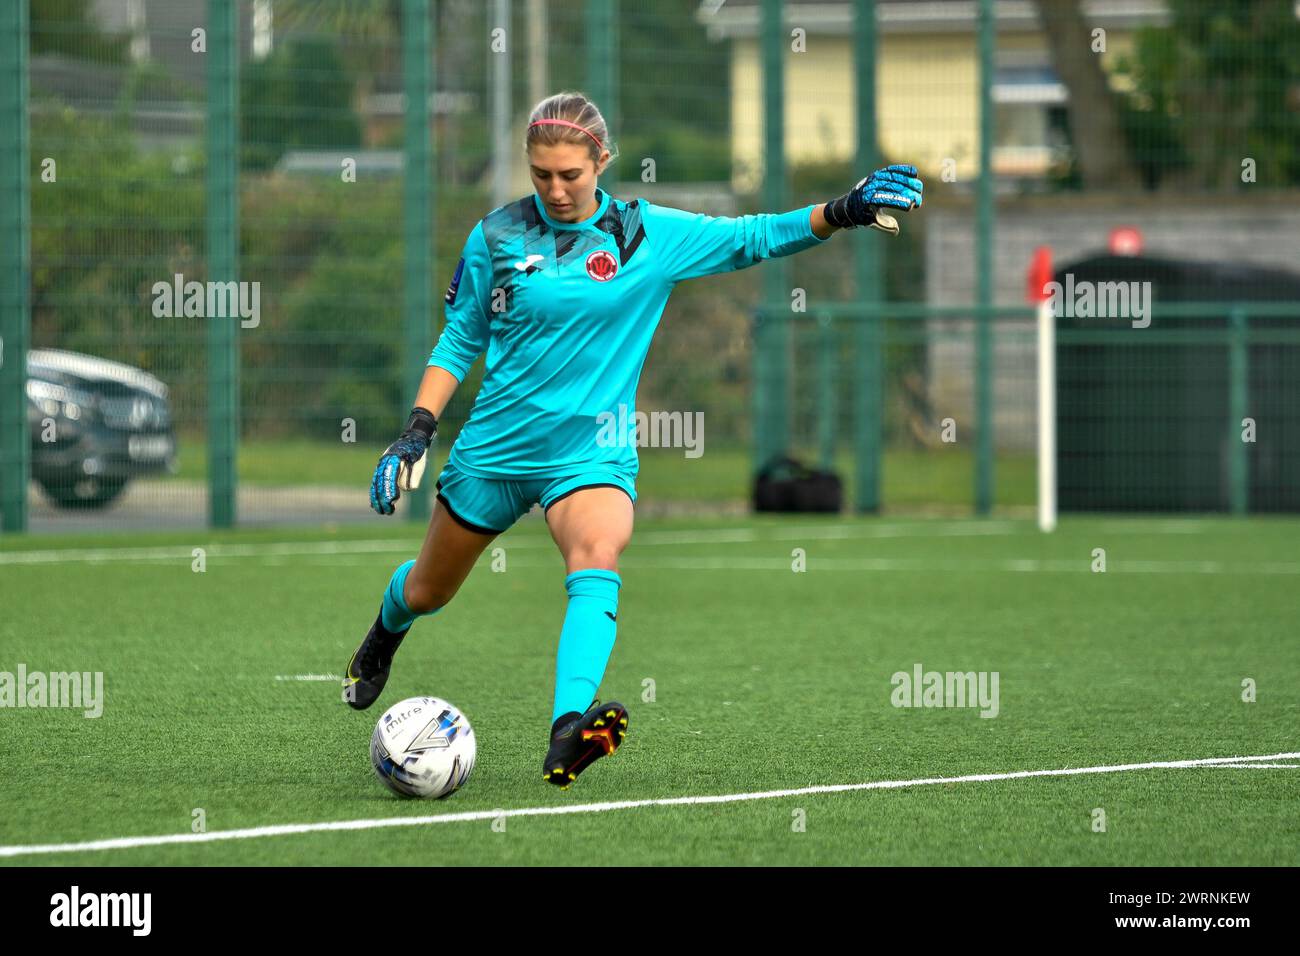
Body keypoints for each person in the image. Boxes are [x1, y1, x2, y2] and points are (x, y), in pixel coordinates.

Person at [344, 90, 923, 790]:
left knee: (597, 551)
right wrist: (415, 432)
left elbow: (752, 237)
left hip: (591, 452)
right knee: (431, 589)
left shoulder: (647, 236)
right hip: (493, 452)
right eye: (540, 175)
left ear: (602, 162)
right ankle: (387, 627)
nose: (555, 190)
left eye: (570, 175)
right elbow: (462, 337)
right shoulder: (494, 237)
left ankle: (567, 729)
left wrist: (843, 210)